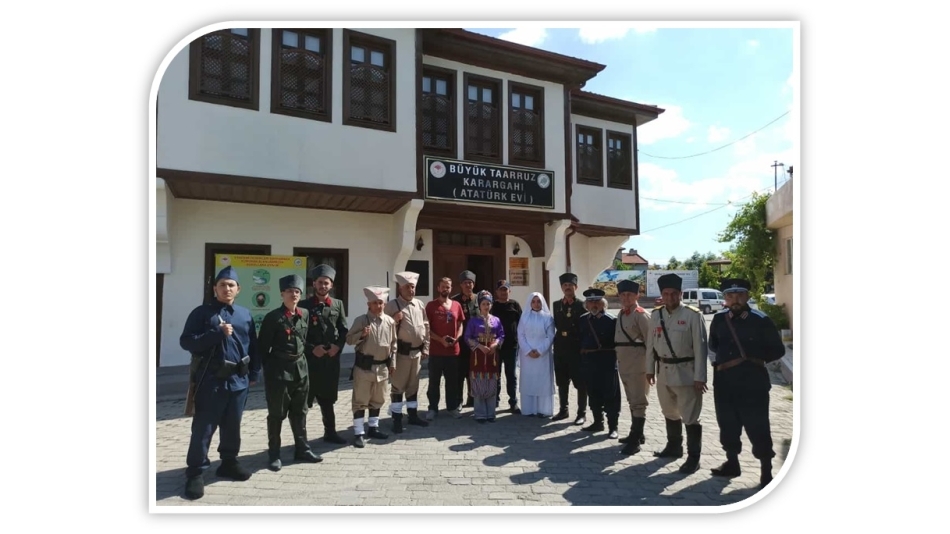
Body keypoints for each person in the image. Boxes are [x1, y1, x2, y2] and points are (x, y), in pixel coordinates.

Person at [179, 266, 261, 500]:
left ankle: (228, 462)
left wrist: (254, 371)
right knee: (203, 429)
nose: (227, 288)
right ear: (215, 288)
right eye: (222, 284)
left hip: (239, 381)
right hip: (211, 381)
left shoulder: (244, 314)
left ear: (238, 289)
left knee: (232, 426)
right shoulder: (201, 313)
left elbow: (252, 345)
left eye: (231, 285)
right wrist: (216, 333)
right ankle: (196, 472)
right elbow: (187, 342)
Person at [707, 278, 787, 489]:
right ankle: (732, 463)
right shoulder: (719, 319)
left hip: (753, 383)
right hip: (724, 382)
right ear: (725, 298)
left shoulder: (760, 320)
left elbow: (778, 350)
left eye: (740, 295)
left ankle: (766, 472)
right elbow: (713, 344)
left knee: (758, 426)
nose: (735, 299)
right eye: (730, 295)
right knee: (727, 425)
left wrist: (754, 359)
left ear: (747, 296)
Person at [257, 274, 322, 471]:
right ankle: (274, 454)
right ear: (282, 294)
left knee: (300, 411)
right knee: (277, 413)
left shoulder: (304, 313)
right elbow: (262, 349)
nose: (293, 294)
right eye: (289, 291)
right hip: (279, 371)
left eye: (297, 291)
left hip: (301, 370)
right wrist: (272, 370)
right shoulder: (273, 318)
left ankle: (302, 449)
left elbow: (303, 340)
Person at [646, 273, 709, 474]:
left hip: (686, 373)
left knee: (690, 416)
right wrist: (649, 369)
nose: (670, 297)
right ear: (662, 295)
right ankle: (674, 447)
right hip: (664, 372)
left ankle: (693, 457)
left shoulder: (692, 315)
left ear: (680, 294)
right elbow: (651, 345)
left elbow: (701, 348)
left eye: (674, 294)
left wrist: (700, 376)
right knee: (669, 412)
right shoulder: (656, 315)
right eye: (666, 294)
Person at [344, 286, 397, 448]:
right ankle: (359, 432)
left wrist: (393, 362)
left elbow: (394, 343)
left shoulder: (389, 321)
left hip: (382, 368)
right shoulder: (361, 320)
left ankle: (373, 428)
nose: (378, 306)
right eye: (374, 303)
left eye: (381, 303)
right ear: (369, 304)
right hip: (364, 368)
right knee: (361, 400)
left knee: (378, 399)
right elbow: (349, 339)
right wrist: (362, 334)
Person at [301, 264, 348, 445]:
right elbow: (299, 333)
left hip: (330, 360)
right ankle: (302, 439)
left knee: (328, 400)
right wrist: (312, 348)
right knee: (304, 402)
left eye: (326, 283)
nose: (323, 286)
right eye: (319, 283)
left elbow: (343, 330)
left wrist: (338, 346)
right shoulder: (304, 305)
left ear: (331, 285)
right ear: (314, 284)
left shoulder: (337, 304)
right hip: (311, 361)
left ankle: (330, 432)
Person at [384, 271, 430, 430]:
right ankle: (396, 419)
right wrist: (393, 320)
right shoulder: (392, 305)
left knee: (413, 386)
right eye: (408, 287)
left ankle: (412, 415)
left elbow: (425, 325)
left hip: (417, 353)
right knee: (398, 387)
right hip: (401, 353)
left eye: (413, 287)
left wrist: (426, 346)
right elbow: (383, 328)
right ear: (400, 288)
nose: (411, 290)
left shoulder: (419, 304)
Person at [614, 279, 652, 455]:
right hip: (625, 364)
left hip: (638, 365)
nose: (626, 298)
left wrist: (651, 368)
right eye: (623, 295)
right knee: (632, 400)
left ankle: (635, 440)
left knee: (638, 402)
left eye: (629, 295)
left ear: (637, 296)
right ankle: (636, 433)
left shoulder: (641, 315)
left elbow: (651, 343)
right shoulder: (622, 314)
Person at [578, 288, 621, 439]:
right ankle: (597, 422)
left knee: (611, 396)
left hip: (607, 363)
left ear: (603, 304)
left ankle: (613, 427)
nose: (594, 305)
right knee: (593, 394)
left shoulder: (612, 320)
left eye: (597, 301)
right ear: (586, 305)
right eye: (590, 302)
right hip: (589, 363)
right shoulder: (583, 319)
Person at [425, 277, 466, 421]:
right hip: (436, 351)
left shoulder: (456, 305)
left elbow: (460, 324)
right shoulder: (431, 306)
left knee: (453, 382)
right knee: (434, 382)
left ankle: (452, 408)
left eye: (448, 287)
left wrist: (458, 338)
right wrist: (440, 339)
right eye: (443, 286)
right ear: (438, 288)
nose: (445, 289)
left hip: (453, 351)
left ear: (451, 288)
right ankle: (432, 408)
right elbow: (426, 328)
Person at [551, 272, 589, 425]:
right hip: (560, 347)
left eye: (570, 285)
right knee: (561, 380)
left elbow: (585, 328)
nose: (568, 288)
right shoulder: (556, 305)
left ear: (576, 287)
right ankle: (563, 410)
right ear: (561, 287)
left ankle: (581, 413)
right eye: (565, 285)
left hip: (576, 347)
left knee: (580, 383)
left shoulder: (581, 305)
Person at [463, 290, 506, 423]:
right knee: (478, 383)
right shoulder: (473, 321)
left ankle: (491, 413)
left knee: (492, 382)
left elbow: (501, 335)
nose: (486, 306)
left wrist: (495, 345)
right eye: (483, 304)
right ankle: (480, 413)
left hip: (492, 357)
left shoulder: (496, 320)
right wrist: (480, 347)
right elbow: (467, 337)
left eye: (488, 303)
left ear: (491, 305)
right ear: (479, 305)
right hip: (478, 356)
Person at [516, 292, 556, 417]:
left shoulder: (548, 317)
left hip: (542, 356)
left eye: (538, 301)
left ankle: (543, 410)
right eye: (533, 301)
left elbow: (550, 336)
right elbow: (520, 334)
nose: (536, 304)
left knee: (542, 382)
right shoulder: (524, 317)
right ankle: (529, 409)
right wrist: (528, 350)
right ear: (530, 303)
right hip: (527, 356)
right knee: (529, 381)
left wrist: (540, 350)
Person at [491, 280, 522, 413]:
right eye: (501, 290)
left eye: (506, 289)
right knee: (495, 374)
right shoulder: (493, 306)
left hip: (511, 346)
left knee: (511, 375)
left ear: (509, 291)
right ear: (497, 292)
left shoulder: (515, 305)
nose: (503, 292)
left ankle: (513, 401)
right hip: (496, 346)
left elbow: (522, 323)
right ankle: (495, 400)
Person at [451, 270, 479, 409]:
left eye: (470, 283)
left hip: (475, 343)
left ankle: (472, 398)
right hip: (460, 342)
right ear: (461, 285)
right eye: (465, 283)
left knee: (473, 372)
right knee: (459, 373)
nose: (468, 285)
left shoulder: (479, 299)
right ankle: (458, 400)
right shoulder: (454, 301)